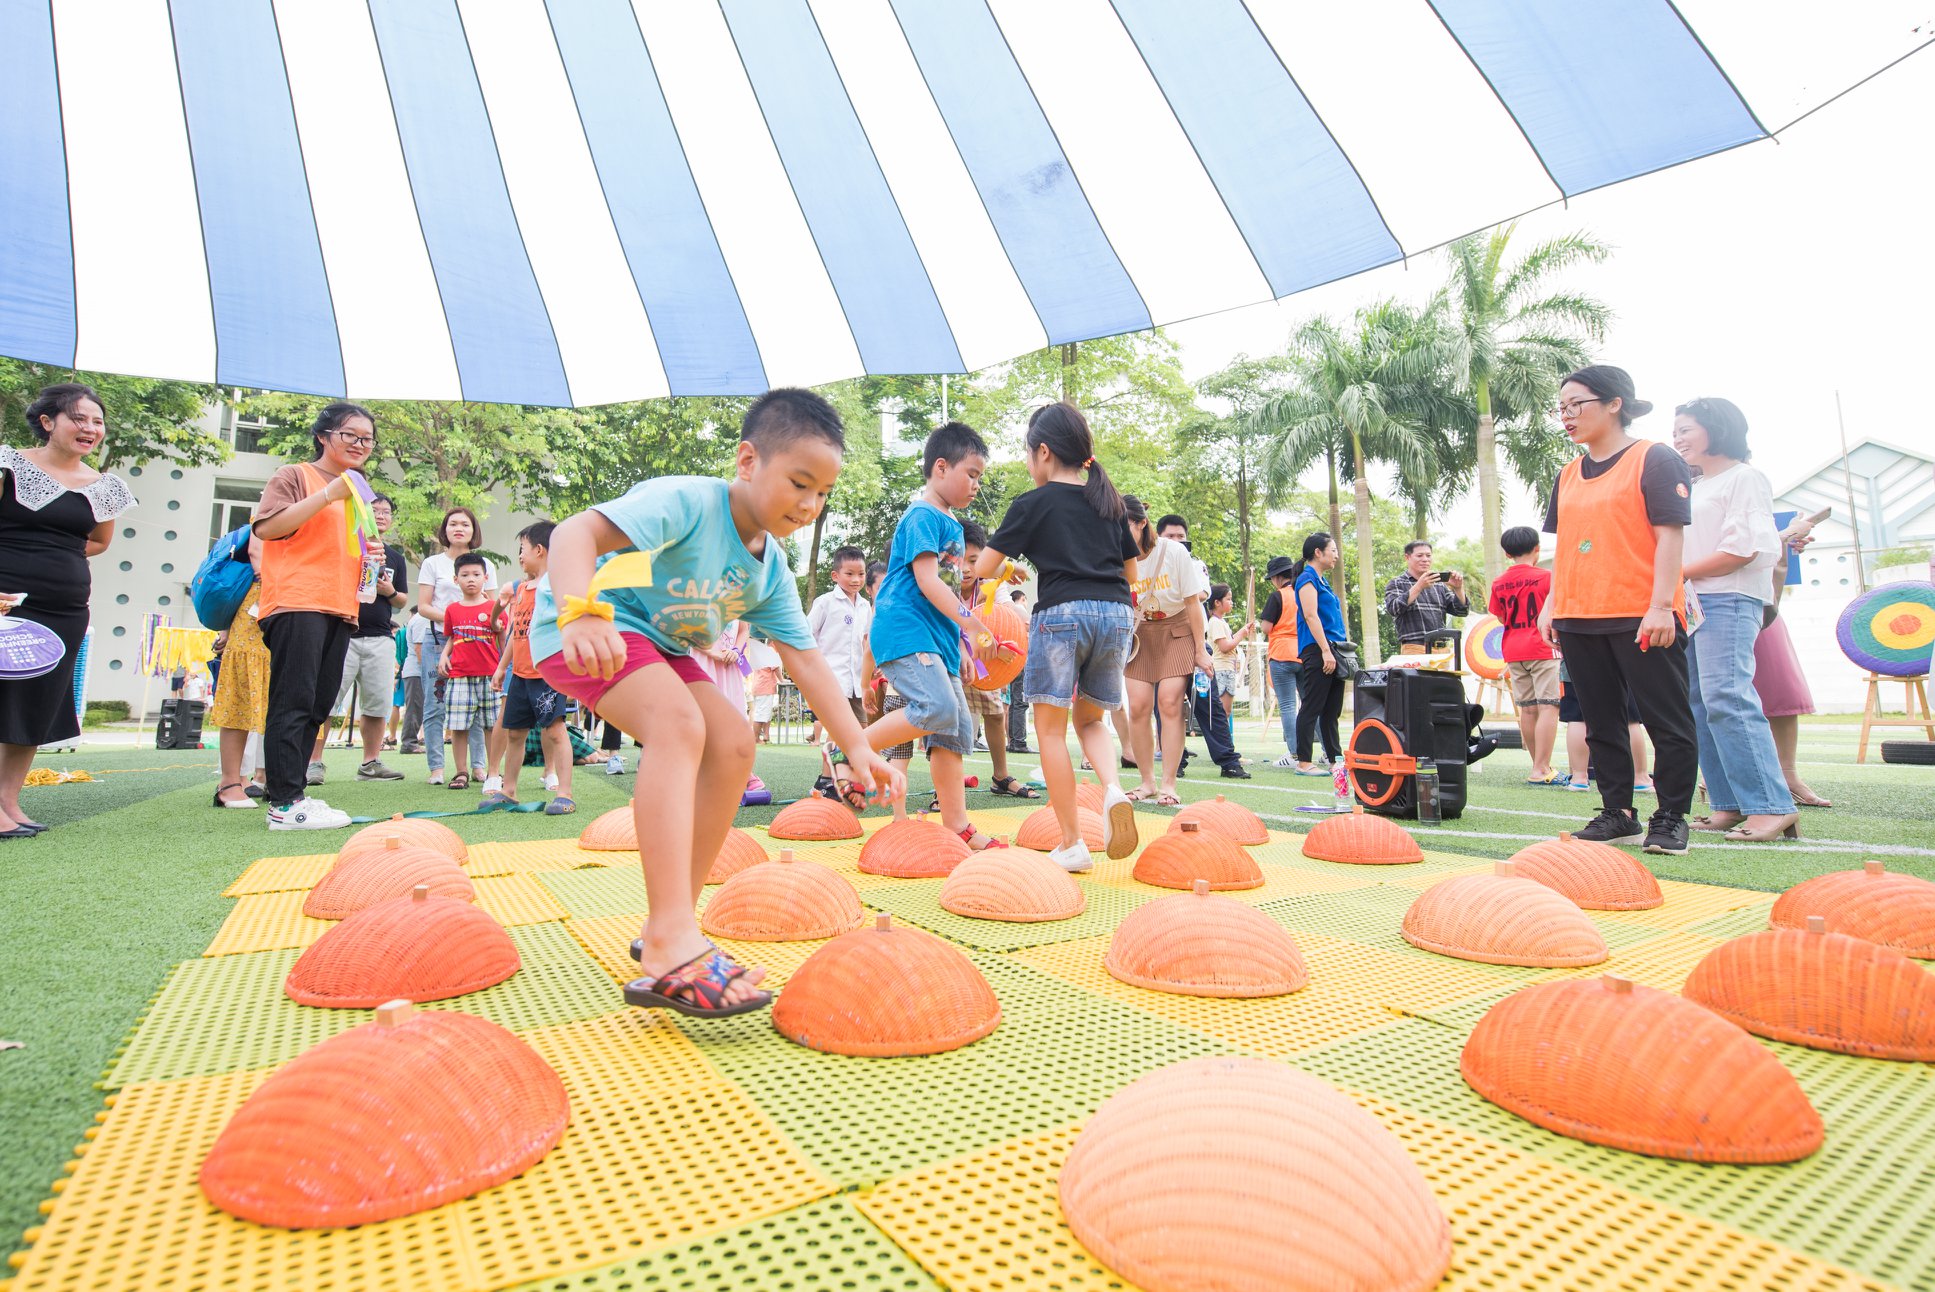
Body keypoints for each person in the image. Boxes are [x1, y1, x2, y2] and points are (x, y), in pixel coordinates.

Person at [530, 387, 903, 1018]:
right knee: (678, 725)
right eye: (799, 483)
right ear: (748, 460)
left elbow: (805, 659)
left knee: (733, 744)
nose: (810, 505)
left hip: (660, 647)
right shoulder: (688, 502)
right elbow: (574, 533)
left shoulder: (769, 568)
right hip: (588, 628)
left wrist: (859, 745)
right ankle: (672, 938)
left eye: (822, 494)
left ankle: (668, 925)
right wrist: (579, 612)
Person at [974, 402, 1140, 873]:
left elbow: (983, 569)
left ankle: (1072, 842)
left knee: (1050, 728)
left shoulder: (1032, 503)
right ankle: (1112, 789)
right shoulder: (1107, 503)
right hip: (1115, 615)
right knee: (1091, 722)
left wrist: (1010, 565)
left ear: (1043, 452)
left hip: (1062, 614)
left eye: (1029, 455)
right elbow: (1131, 572)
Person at [1538, 365, 1696, 856]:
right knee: (1600, 722)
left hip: (1643, 614)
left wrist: (1660, 606)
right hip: (1580, 616)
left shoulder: (1655, 459)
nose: (1566, 416)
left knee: (1666, 720)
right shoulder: (1566, 475)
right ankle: (1618, 813)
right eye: (1560, 408)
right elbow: (1565, 549)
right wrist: (1551, 605)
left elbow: (1671, 536)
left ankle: (1670, 816)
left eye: (1576, 404)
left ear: (1614, 403)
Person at [857, 421, 1006, 850]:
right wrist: (973, 626)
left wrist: (958, 644)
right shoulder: (922, 514)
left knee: (956, 727)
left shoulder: (953, 527)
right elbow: (926, 582)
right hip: (905, 633)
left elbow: (944, 595)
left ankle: (957, 825)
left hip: (935, 640)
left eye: (980, 476)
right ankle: (850, 749)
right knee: (937, 707)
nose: (977, 484)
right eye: (971, 474)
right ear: (941, 467)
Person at [0, 385, 136, 838]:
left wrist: (52, 558)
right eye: (79, 419)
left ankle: (8, 801)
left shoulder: (106, 486)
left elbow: (98, 541)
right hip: (5, 603)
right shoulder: (8, 464)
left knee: (35, 706)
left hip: (63, 610)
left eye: (97, 422)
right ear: (47, 422)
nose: (90, 429)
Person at [251, 402, 382, 831]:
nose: (360, 445)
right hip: (296, 600)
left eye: (367, 439)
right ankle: (284, 803)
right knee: (294, 699)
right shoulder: (294, 475)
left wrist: (371, 555)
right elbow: (267, 528)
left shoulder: (360, 489)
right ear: (324, 436)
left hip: (341, 607)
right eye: (351, 435)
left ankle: (291, 795)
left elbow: (343, 545)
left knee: (319, 704)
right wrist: (327, 494)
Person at [1673, 397, 1798, 842]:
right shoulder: (1695, 483)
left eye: (1686, 429)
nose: (1677, 438)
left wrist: (1676, 572)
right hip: (1693, 602)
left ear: (1716, 429)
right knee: (1701, 703)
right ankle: (1728, 802)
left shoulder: (1744, 477)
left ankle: (1770, 805)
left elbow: (1743, 550)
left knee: (1727, 696)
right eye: (1676, 430)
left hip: (1730, 597)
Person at [307, 492, 407, 785]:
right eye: (374, 510)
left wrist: (388, 590)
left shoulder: (395, 558)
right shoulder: (344, 547)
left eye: (386, 511)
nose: (380, 516)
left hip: (380, 638)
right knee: (325, 700)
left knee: (377, 703)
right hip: (342, 634)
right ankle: (313, 762)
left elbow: (401, 600)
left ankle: (370, 762)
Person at [1121, 499, 1213, 806]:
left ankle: (1169, 784)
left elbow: (1192, 604)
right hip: (1140, 634)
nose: (1117, 533)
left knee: (1170, 702)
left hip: (1177, 630)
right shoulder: (1118, 555)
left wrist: (1200, 650)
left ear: (1141, 523)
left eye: (1124, 526)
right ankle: (1147, 782)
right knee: (1138, 706)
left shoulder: (1172, 552)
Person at [485, 520, 576, 815]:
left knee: (555, 731)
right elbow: (516, 633)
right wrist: (502, 668)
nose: (520, 556)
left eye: (522, 549)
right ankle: (508, 790)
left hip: (546, 674)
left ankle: (564, 793)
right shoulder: (522, 589)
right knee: (514, 733)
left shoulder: (558, 586)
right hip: (521, 676)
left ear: (539, 550)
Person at [416, 507, 498, 785]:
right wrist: (458, 617)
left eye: (465, 524)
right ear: (445, 529)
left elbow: (494, 610)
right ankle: (438, 768)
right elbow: (424, 607)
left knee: (477, 710)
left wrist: (472, 619)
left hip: (479, 648)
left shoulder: (485, 564)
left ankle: (479, 767)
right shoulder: (433, 563)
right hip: (439, 640)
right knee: (437, 704)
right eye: (453, 524)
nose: (459, 528)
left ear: (474, 530)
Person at [1755, 513, 1830, 807]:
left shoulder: (1745, 484)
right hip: (1715, 596)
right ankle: (1718, 777)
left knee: (1780, 685)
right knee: (1715, 694)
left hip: (1759, 598)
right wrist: (1786, 534)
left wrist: (1784, 541)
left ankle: (1787, 773)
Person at [961, 519, 1034, 799]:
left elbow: (1009, 614)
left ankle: (1001, 776)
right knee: (953, 718)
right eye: (960, 560)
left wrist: (1022, 630)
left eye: (974, 560)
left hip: (984, 663)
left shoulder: (991, 583)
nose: (966, 569)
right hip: (950, 657)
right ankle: (947, 786)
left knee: (993, 712)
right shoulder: (942, 583)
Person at [1489, 526, 1562, 783]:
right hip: (1543, 647)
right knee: (1548, 706)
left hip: (1513, 649)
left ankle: (1537, 766)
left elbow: (1500, 616)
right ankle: (1541, 768)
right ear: (1537, 548)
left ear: (1507, 554)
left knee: (1528, 710)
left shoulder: (1499, 583)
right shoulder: (1548, 577)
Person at [208, 536, 271, 807]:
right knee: (242, 698)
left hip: (293, 607)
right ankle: (231, 781)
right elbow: (257, 554)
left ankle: (269, 777)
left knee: (279, 700)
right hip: (260, 609)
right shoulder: (275, 507)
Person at [806, 546, 872, 798]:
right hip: (831, 680)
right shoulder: (825, 603)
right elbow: (806, 636)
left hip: (857, 681)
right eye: (849, 574)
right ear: (835, 575)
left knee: (862, 732)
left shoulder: (866, 606)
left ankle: (850, 778)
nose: (856, 580)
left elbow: (866, 643)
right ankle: (826, 780)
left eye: (861, 574)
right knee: (836, 732)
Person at [437, 553, 501, 791]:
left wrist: (503, 669)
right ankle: (461, 771)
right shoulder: (452, 610)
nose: (470, 579)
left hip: (489, 675)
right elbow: (453, 637)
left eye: (476, 574)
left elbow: (502, 639)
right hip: (460, 675)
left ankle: (493, 771)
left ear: (485, 577)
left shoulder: (494, 607)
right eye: (465, 575)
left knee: (491, 725)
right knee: (458, 725)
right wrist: (445, 655)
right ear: (456, 579)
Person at [1291, 533, 1349, 774]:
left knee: (1331, 710)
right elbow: (1310, 615)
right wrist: (1325, 651)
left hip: (1335, 649)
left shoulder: (1322, 581)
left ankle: (1335, 759)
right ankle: (1304, 761)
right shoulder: (1307, 579)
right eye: (1332, 550)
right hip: (1318, 649)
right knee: (1312, 706)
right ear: (1318, 552)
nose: (1336, 555)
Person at [1197, 584, 1251, 779]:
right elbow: (1225, 646)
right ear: (1217, 602)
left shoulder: (1221, 622)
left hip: (1226, 670)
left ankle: (1229, 750)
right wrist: (1242, 634)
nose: (1231, 602)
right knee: (1222, 712)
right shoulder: (1215, 623)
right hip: (1220, 670)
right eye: (1228, 599)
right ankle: (1228, 752)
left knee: (1225, 712)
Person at [1256, 555, 1302, 769]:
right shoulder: (1304, 592)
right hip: (1304, 653)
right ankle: (1327, 753)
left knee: (1288, 707)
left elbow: (1266, 627)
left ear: (1276, 578)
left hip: (1281, 653)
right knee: (1311, 705)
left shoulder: (1278, 596)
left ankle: (1294, 754)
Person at [1383, 540, 1468, 645]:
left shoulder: (1439, 584)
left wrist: (1458, 589)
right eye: (1419, 555)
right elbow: (1393, 608)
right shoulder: (1396, 583)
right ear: (1407, 557)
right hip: (1414, 647)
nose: (1425, 559)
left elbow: (1462, 611)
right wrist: (1419, 586)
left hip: (1441, 648)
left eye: (1428, 555)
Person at [1005, 587, 1034, 753]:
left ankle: (1013, 741)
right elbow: (1031, 628)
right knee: (1021, 702)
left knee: (1014, 702)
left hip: (1011, 659)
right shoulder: (1019, 611)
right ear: (1022, 599)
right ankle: (1019, 742)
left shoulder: (1007, 612)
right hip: (1022, 658)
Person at [398, 609, 428, 753]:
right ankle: (408, 743)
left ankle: (410, 742)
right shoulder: (422, 619)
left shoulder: (420, 618)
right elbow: (419, 648)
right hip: (417, 671)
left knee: (418, 707)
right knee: (415, 708)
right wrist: (427, 672)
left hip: (417, 671)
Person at [747, 637, 782, 743]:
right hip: (765, 686)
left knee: (765, 713)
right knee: (761, 714)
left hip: (759, 685)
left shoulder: (759, 652)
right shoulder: (769, 651)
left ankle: (766, 736)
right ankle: (756, 738)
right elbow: (775, 667)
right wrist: (782, 679)